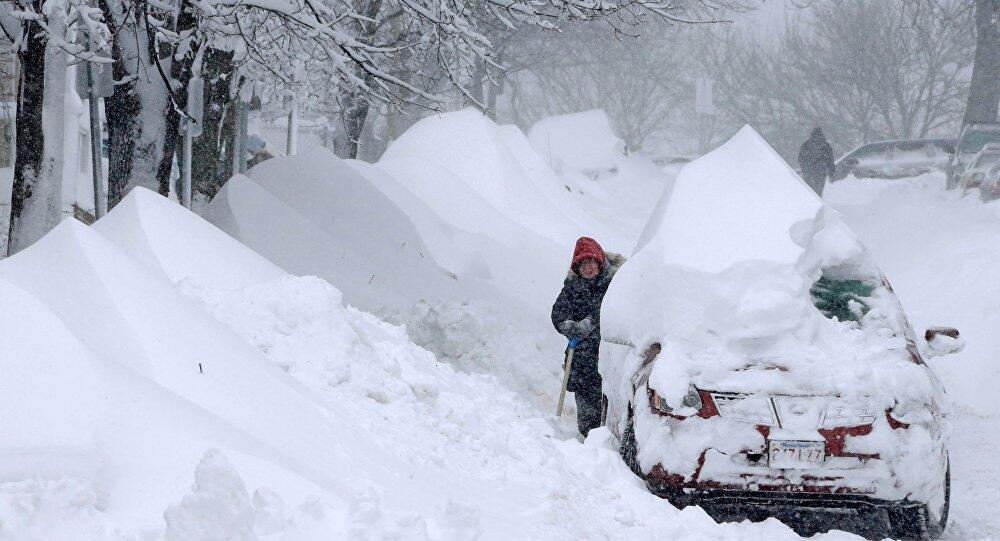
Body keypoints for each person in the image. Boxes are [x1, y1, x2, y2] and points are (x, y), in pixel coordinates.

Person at [551, 237, 625, 437]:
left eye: (591, 262)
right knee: (586, 402)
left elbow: (616, 312)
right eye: (583, 264)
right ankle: (588, 441)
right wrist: (569, 326)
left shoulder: (615, 283)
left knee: (610, 400)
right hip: (582, 356)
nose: (589, 268)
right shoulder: (573, 286)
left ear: (599, 261)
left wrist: (591, 322)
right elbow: (558, 313)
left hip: (610, 353)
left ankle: (610, 441)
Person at [798, 127, 836, 196]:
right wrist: (832, 172)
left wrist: (805, 169)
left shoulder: (806, 145)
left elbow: (801, 159)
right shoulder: (826, 146)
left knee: (808, 191)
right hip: (821, 172)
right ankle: (818, 202)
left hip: (809, 172)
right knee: (818, 191)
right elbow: (830, 160)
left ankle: (810, 203)